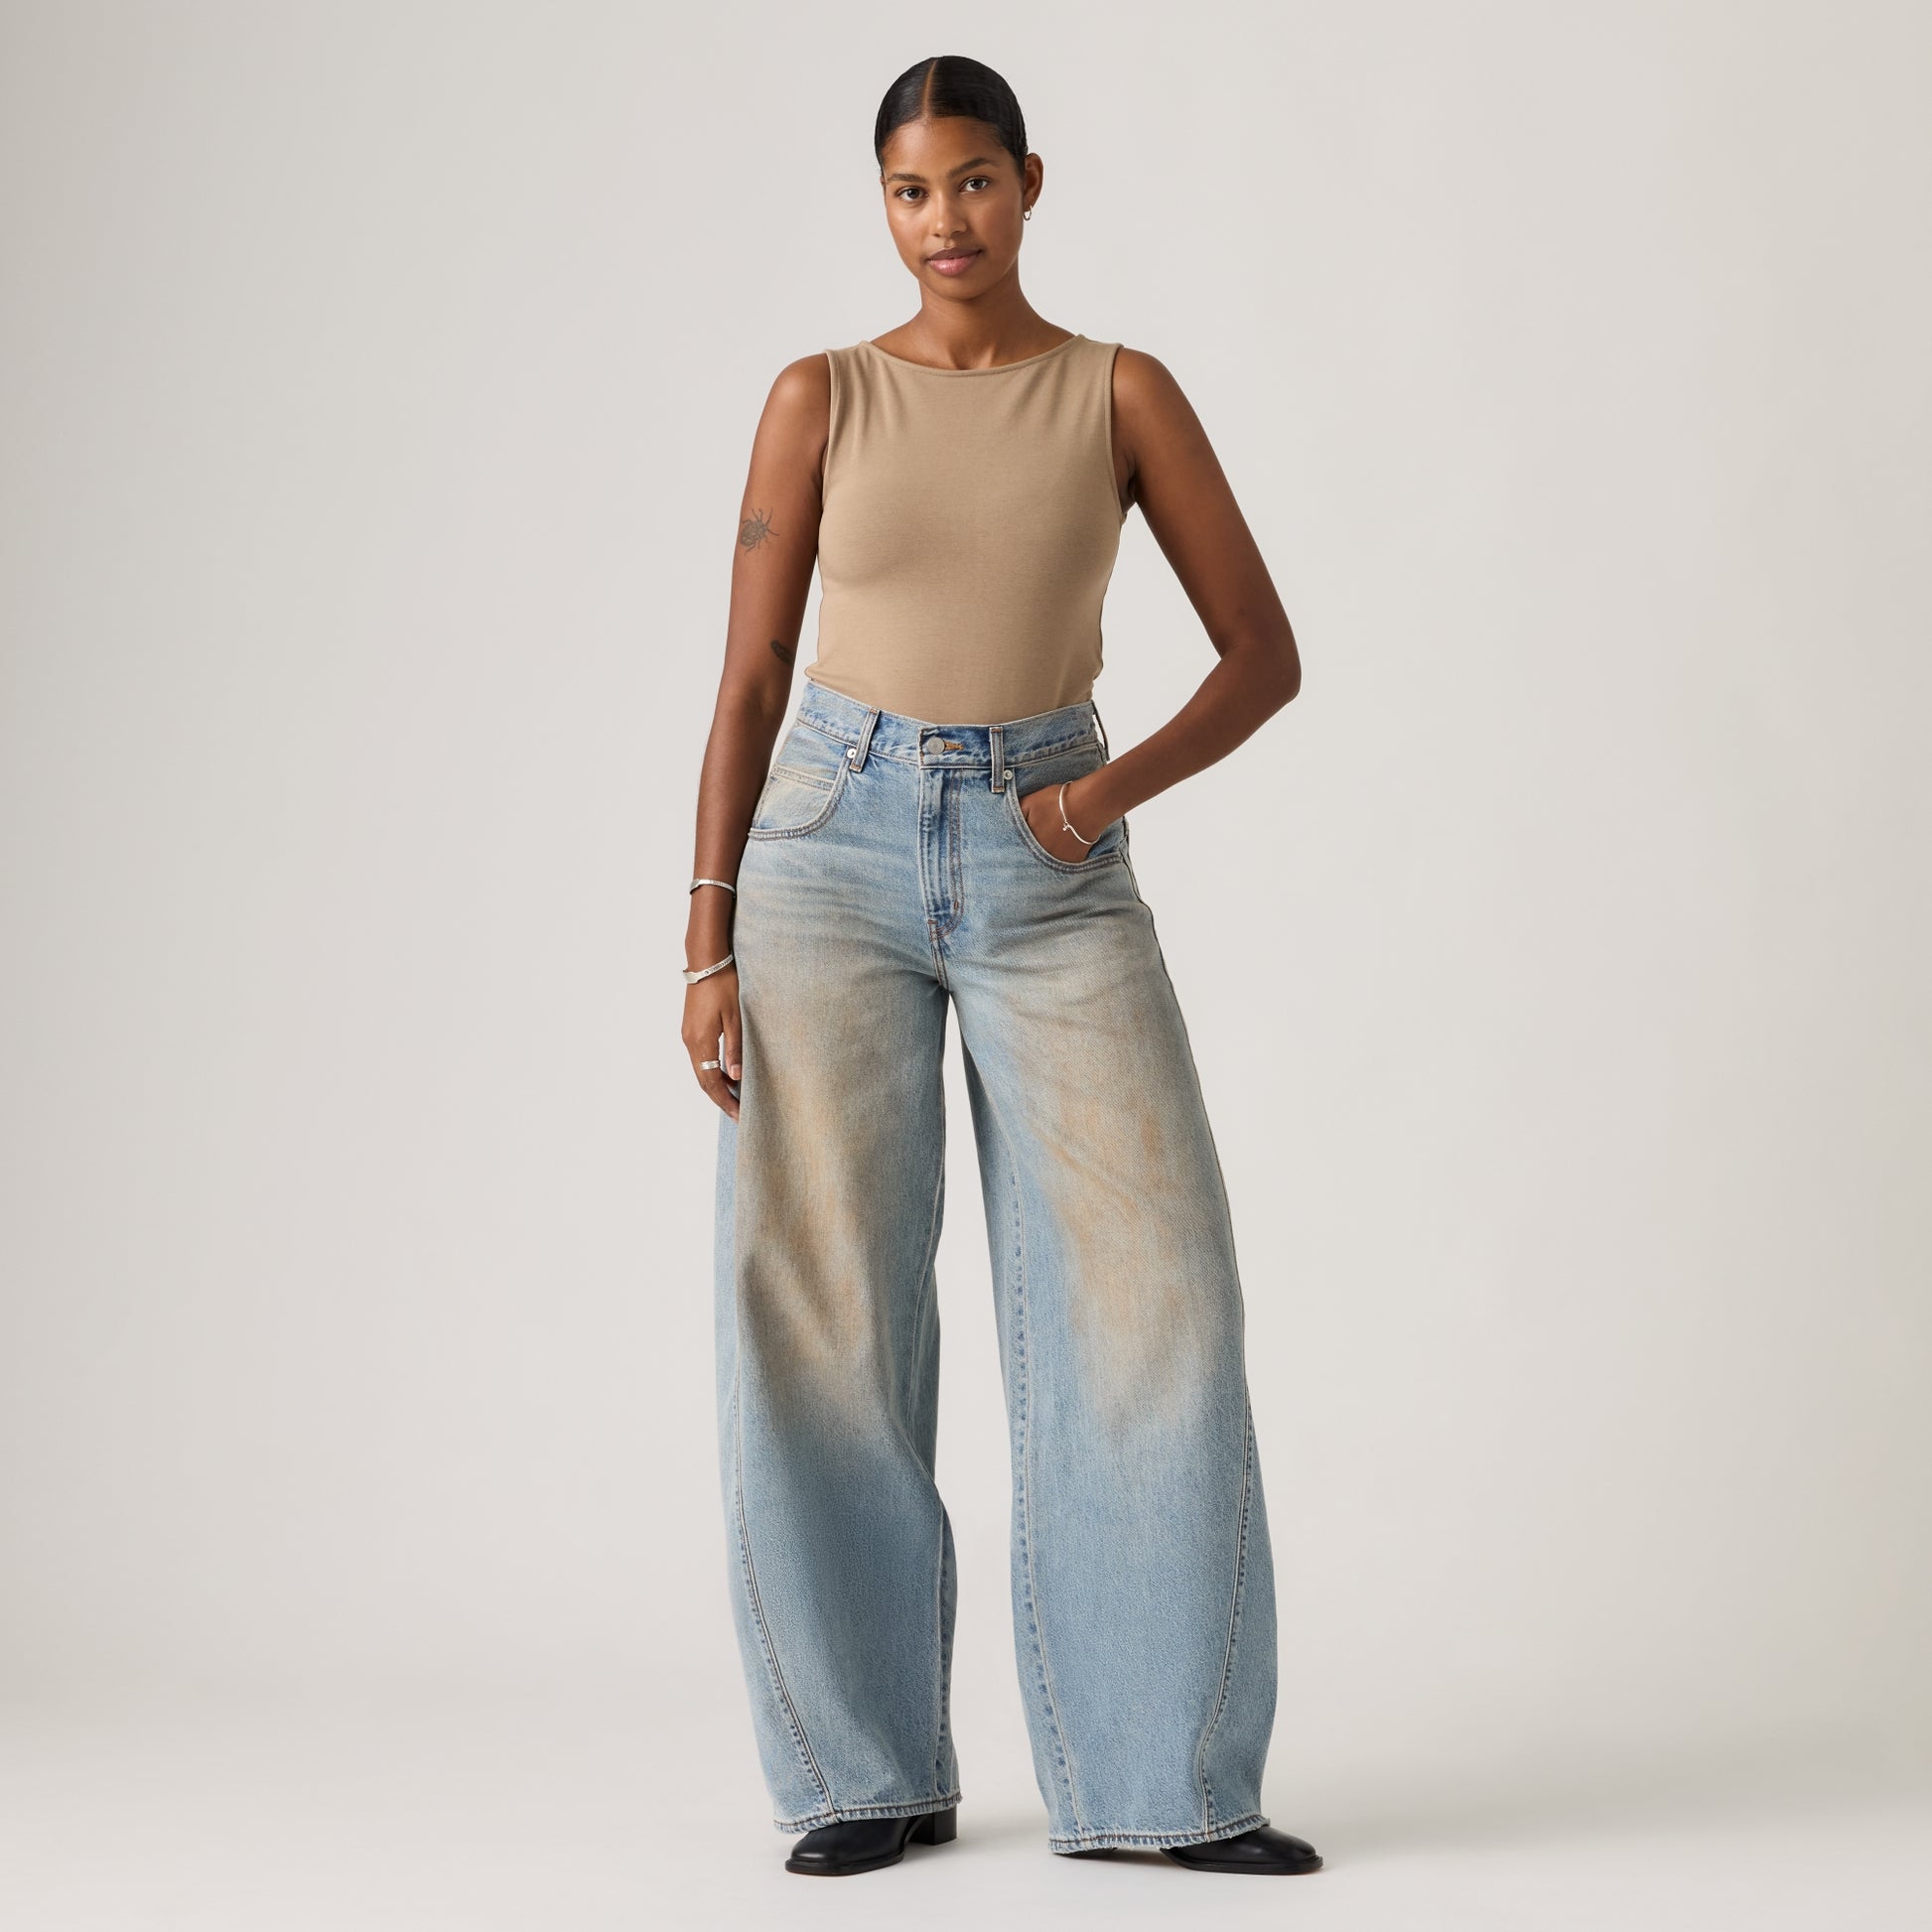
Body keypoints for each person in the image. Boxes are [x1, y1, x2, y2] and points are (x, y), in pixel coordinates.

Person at [682, 53, 1321, 1880]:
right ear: (880, 205)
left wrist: (1090, 797)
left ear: (1028, 183)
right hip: (828, 846)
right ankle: (863, 1771)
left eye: (970, 181)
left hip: (1053, 856)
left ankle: (1164, 1780)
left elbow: (1261, 653)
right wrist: (704, 930)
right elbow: (749, 675)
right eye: (908, 190)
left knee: (1153, 1287)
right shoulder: (819, 396)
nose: (942, 220)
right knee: (821, 1305)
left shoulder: (1118, 392)